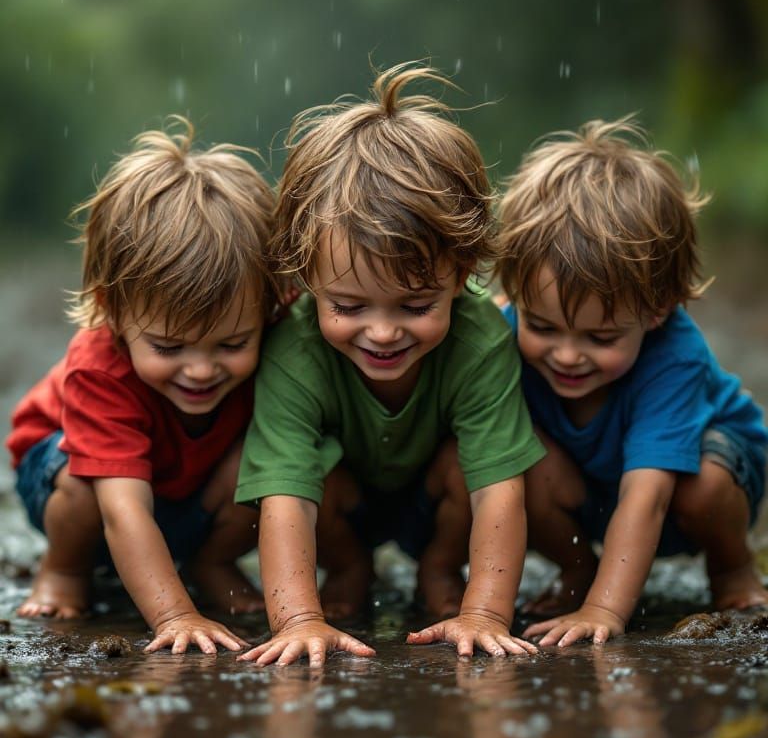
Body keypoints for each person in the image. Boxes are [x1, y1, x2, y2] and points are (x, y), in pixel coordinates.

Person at [235, 63, 545, 666]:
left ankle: (437, 571)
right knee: (306, 473)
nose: (382, 331)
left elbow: (498, 490)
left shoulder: (481, 339)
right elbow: (285, 495)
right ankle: (351, 571)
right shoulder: (295, 349)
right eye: (347, 306)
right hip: (343, 505)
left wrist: (486, 615)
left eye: (415, 305)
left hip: (434, 500)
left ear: (461, 273)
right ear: (305, 278)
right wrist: (297, 621)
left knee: (477, 463)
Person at [496, 117, 768, 648]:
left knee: (704, 484)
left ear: (657, 311)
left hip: (691, 479)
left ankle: (732, 568)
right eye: (543, 327)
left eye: (600, 337)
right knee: (513, 463)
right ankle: (579, 569)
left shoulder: (675, 357)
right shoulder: (502, 329)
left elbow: (648, 498)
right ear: (513, 293)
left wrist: (605, 610)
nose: (568, 355)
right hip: (594, 482)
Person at [7, 119, 276, 654]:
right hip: (76, 487)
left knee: (276, 456)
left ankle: (211, 561)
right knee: (86, 483)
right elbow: (123, 509)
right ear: (112, 310)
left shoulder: (279, 329)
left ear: (273, 306)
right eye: (170, 348)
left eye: (230, 345)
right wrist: (175, 616)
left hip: (191, 484)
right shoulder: (100, 366)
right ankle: (63, 568)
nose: (200, 370)